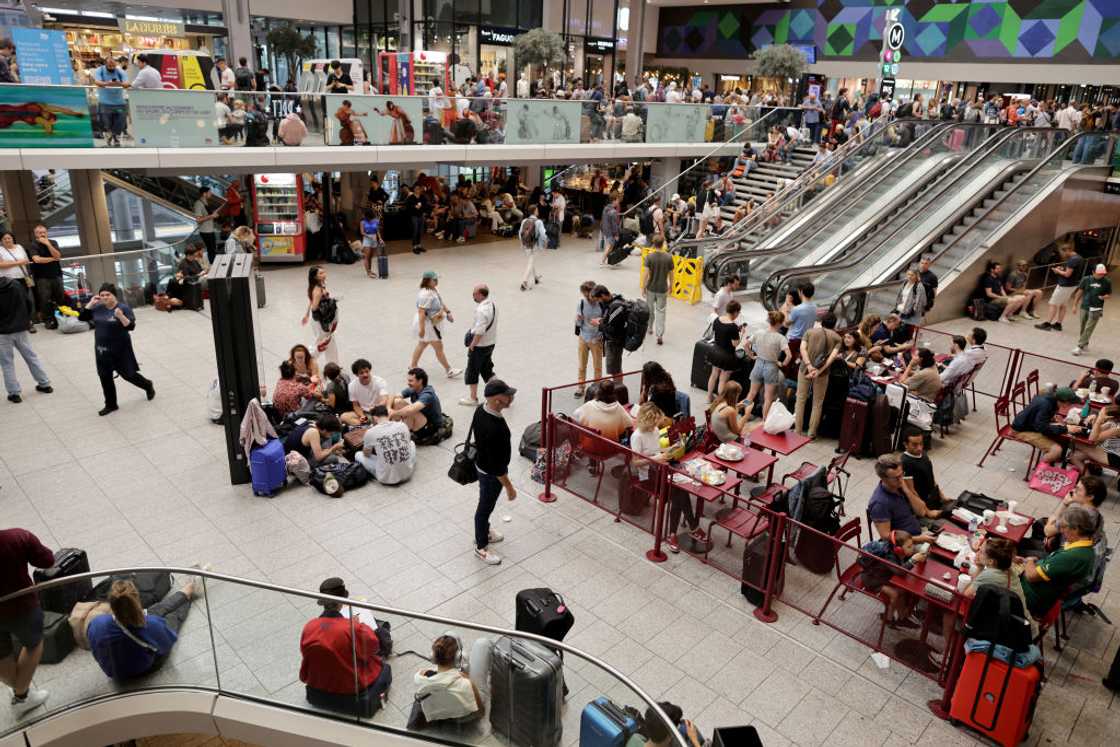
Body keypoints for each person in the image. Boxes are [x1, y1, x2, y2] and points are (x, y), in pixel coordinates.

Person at [300, 577, 391, 716]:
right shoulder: (351, 627)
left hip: (318, 683)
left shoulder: (309, 626)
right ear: (342, 601)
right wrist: (360, 626)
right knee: (385, 668)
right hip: (351, 685)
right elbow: (372, 647)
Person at [87, 574, 201, 680]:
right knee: (173, 616)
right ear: (137, 600)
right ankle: (189, 592)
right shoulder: (152, 625)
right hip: (143, 669)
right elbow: (166, 643)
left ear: (111, 603)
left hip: (113, 673)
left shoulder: (97, 623)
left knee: (156, 612)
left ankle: (185, 591)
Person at [0, 527, 55, 714]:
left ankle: (18, 688)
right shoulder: (16, 537)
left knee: (1, 655)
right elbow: (47, 560)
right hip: (21, 606)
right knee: (33, 643)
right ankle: (21, 696)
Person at [77, 283, 154, 416]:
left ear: (114, 295)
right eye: (102, 295)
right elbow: (82, 317)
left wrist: (120, 316)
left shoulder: (123, 308)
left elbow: (131, 327)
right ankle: (111, 404)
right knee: (105, 377)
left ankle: (147, 385)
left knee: (128, 375)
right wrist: (90, 303)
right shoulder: (98, 308)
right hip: (102, 350)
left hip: (120, 349)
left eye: (108, 295)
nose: (105, 297)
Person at [1020, 504, 1100, 617]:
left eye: (1064, 527)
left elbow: (1031, 576)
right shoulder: (1085, 548)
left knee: (991, 576)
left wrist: (1029, 561)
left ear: (1076, 529)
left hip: (1031, 597)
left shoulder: (1072, 557)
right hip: (1045, 590)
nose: (1061, 530)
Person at [471, 380, 517, 565]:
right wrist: (509, 488)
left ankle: (485, 531)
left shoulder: (482, 409)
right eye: (508, 395)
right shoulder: (495, 428)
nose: (512, 397)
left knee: (485, 506)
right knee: (484, 509)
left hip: (482, 465)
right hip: (491, 474)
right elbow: (497, 467)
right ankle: (481, 546)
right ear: (498, 400)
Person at [412, 634, 492, 725]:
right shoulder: (466, 684)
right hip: (463, 717)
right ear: (457, 657)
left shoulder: (420, 678)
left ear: (433, 657)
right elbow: (481, 712)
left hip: (437, 714)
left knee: (450, 634)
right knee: (482, 643)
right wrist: (464, 677)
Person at [859, 529, 928, 628]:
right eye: (909, 546)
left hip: (884, 575)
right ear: (898, 549)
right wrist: (913, 560)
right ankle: (888, 618)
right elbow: (900, 571)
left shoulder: (897, 552)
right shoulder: (888, 556)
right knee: (894, 594)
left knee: (903, 590)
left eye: (912, 544)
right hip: (873, 579)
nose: (912, 548)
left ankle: (902, 618)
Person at [0, 275, 52, 403]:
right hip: (20, 328)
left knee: (7, 363)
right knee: (30, 356)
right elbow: (28, 303)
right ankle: (44, 384)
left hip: (2, 332)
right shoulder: (15, 284)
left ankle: (14, 393)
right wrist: (25, 320)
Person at [868, 454, 937, 544]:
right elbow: (886, 537)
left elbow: (921, 511)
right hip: (906, 545)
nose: (901, 479)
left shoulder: (899, 484)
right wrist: (919, 539)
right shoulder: (880, 504)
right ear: (883, 478)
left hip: (919, 531)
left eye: (902, 474)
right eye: (896, 478)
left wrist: (907, 490)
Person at [794, 312, 842, 439]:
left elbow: (803, 349)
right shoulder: (837, 338)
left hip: (805, 369)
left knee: (800, 399)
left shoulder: (809, 332)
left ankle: (797, 431)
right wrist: (819, 371)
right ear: (834, 324)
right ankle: (811, 433)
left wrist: (809, 366)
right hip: (823, 374)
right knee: (818, 403)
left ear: (821, 321)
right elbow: (831, 358)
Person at [1010, 386, 1081, 465]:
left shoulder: (1050, 400)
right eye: (1070, 403)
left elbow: (1040, 418)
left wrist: (1054, 420)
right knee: (1057, 450)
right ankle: (1039, 470)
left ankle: (1055, 460)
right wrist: (1066, 429)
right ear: (1063, 402)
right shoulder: (1046, 405)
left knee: (1060, 433)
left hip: (1030, 425)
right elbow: (1041, 427)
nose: (1070, 405)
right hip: (1021, 430)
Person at [411, 271, 462, 378]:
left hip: (432, 322)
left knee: (423, 344)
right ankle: (449, 370)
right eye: (434, 279)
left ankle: (413, 365)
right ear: (428, 281)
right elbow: (421, 312)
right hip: (428, 324)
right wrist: (422, 329)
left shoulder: (433, 289)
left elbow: (440, 301)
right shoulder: (425, 294)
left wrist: (448, 312)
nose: (436, 281)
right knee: (438, 346)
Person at [743, 310, 790, 421]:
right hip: (771, 367)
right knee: (768, 397)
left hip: (758, 363)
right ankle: (764, 421)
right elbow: (789, 356)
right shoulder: (781, 338)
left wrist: (751, 355)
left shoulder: (759, 332)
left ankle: (744, 414)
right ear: (780, 323)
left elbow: (746, 345)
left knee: (751, 393)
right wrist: (782, 364)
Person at [355, 405, 415, 485]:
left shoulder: (370, 432)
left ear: (375, 418)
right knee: (411, 443)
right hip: (408, 473)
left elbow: (366, 454)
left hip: (386, 479)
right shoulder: (402, 425)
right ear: (387, 415)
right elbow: (407, 443)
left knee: (358, 455)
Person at [462, 284, 497, 406]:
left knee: (472, 370)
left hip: (480, 346)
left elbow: (480, 331)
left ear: (480, 294)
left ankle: (473, 398)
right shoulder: (492, 305)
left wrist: (472, 345)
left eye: (474, 294)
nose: (473, 296)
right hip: (490, 343)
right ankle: (501, 391)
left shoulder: (481, 311)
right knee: (487, 369)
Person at [1036, 243, 1084, 332]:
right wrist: (1062, 269)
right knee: (1063, 305)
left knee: (1053, 304)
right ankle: (1058, 324)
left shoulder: (1072, 260)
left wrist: (1057, 271)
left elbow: (1067, 274)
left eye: (1062, 252)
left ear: (1067, 250)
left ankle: (1047, 324)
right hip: (1072, 285)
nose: (1061, 254)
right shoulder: (1079, 258)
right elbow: (1072, 271)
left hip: (1064, 285)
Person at [389, 368, 446, 443]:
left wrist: (393, 413)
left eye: (411, 381)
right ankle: (394, 430)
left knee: (409, 411)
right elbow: (393, 396)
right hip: (421, 419)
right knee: (397, 402)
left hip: (430, 427)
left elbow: (410, 410)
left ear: (420, 381)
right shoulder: (414, 388)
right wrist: (388, 408)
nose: (408, 383)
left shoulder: (428, 394)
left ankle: (402, 437)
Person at [900, 429, 948, 513]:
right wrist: (927, 511)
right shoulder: (906, 462)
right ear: (905, 444)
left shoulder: (923, 455)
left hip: (933, 498)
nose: (919, 448)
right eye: (914, 445)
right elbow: (911, 491)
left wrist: (942, 496)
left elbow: (931, 478)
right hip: (923, 505)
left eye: (921, 444)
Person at [706, 299, 745, 402]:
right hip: (727, 356)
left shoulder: (717, 320)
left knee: (714, 375)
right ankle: (720, 401)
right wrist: (741, 334)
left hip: (715, 351)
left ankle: (709, 396)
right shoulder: (733, 327)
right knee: (723, 380)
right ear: (736, 312)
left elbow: (719, 333)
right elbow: (735, 344)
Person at [27, 225, 64, 329]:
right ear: (35, 234)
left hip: (56, 275)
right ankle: (48, 320)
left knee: (60, 298)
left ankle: (62, 317)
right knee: (45, 300)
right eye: (39, 232)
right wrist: (53, 259)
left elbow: (58, 255)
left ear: (47, 232)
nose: (42, 234)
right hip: (42, 277)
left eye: (44, 232)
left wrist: (48, 244)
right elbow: (37, 260)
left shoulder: (53, 242)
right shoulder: (33, 245)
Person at [302, 266, 339, 366]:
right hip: (320, 320)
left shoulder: (320, 285)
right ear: (315, 277)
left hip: (321, 319)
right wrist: (328, 303)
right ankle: (307, 359)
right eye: (321, 273)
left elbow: (310, 301)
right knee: (321, 341)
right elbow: (314, 307)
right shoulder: (317, 290)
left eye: (324, 272)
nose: (324, 275)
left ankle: (333, 364)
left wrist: (306, 315)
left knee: (330, 340)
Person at [1071, 263, 1111, 356]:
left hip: (1096, 308)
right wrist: (1074, 305)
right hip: (1084, 306)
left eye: (1103, 274)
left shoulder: (1107, 282)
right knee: (1083, 326)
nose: (1101, 275)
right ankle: (1085, 343)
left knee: (1089, 327)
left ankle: (1079, 346)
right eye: (1099, 273)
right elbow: (1079, 292)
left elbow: (1108, 294)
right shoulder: (1086, 279)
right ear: (1093, 272)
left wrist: (1104, 297)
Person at [574, 281, 605, 398]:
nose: (587, 298)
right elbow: (578, 323)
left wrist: (600, 332)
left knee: (597, 366)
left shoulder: (601, 304)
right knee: (582, 364)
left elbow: (605, 322)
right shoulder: (581, 303)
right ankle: (581, 387)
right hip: (583, 337)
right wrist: (578, 319)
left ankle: (597, 388)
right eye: (585, 295)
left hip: (596, 339)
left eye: (589, 295)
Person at [642, 235, 673, 345]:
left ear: (654, 244)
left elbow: (645, 274)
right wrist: (671, 286)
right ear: (663, 243)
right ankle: (659, 335)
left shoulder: (649, 257)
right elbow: (671, 273)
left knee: (650, 309)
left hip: (651, 288)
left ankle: (650, 328)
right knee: (661, 312)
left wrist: (643, 287)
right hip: (662, 289)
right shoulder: (668, 257)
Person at [1071, 404, 1120, 473]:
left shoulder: (1117, 429)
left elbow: (1092, 440)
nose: (1100, 414)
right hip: (1108, 450)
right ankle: (1087, 479)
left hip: (1115, 458)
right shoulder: (1112, 422)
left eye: (1101, 414)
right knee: (1074, 456)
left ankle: (1089, 476)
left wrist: (1098, 421)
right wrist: (1095, 420)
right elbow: (1095, 432)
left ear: (1110, 417)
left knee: (1076, 443)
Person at [92, 56, 129, 147]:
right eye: (109, 66)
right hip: (105, 103)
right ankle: (110, 136)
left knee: (120, 123)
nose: (112, 67)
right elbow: (97, 82)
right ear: (106, 64)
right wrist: (108, 83)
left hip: (119, 103)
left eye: (113, 65)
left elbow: (127, 83)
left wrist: (119, 83)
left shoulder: (120, 71)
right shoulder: (99, 70)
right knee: (106, 124)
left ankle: (115, 138)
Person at [785, 283, 818, 374]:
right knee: (797, 364)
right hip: (805, 340)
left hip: (793, 340)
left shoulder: (797, 309)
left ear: (801, 292)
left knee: (788, 363)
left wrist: (788, 310)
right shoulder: (815, 307)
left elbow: (787, 323)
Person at [347, 358, 389, 423]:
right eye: (361, 373)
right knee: (344, 416)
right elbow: (355, 405)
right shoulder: (352, 386)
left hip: (379, 410)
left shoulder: (379, 381)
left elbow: (384, 399)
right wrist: (362, 416)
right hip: (365, 412)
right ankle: (366, 426)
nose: (365, 375)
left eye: (367, 371)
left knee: (398, 402)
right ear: (356, 375)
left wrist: (375, 408)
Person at [519, 205, 545, 292]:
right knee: (530, 263)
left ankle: (536, 278)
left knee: (531, 261)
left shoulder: (524, 221)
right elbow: (543, 234)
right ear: (534, 211)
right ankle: (524, 282)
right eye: (537, 210)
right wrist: (545, 241)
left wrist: (522, 244)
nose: (538, 211)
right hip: (534, 245)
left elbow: (520, 233)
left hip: (526, 244)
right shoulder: (539, 222)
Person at [192, 186, 220, 262]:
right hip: (205, 231)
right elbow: (198, 220)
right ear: (204, 194)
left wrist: (213, 215)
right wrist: (211, 216)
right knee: (211, 251)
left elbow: (207, 216)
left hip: (210, 230)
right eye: (209, 192)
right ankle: (213, 267)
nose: (211, 194)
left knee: (213, 250)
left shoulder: (205, 202)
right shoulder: (198, 204)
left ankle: (214, 265)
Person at [359, 207, 384, 279]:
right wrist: (369, 237)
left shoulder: (376, 221)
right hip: (367, 239)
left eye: (364, 214)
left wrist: (380, 238)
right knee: (366, 257)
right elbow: (362, 232)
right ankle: (368, 272)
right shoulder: (362, 222)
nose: (363, 215)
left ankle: (369, 270)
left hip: (374, 238)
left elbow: (377, 231)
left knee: (370, 256)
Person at [599, 195, 621, 265]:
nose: (618, 202)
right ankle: (602, 260)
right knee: (609, 246)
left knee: (610, 246)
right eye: (617, 200)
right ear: (613, 201)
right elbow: (614, 225)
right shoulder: (613, 212)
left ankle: (606, 259)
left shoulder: (605, 208)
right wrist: (616, 234)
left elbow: (602, 220)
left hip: (605, 229)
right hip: (610, 231)